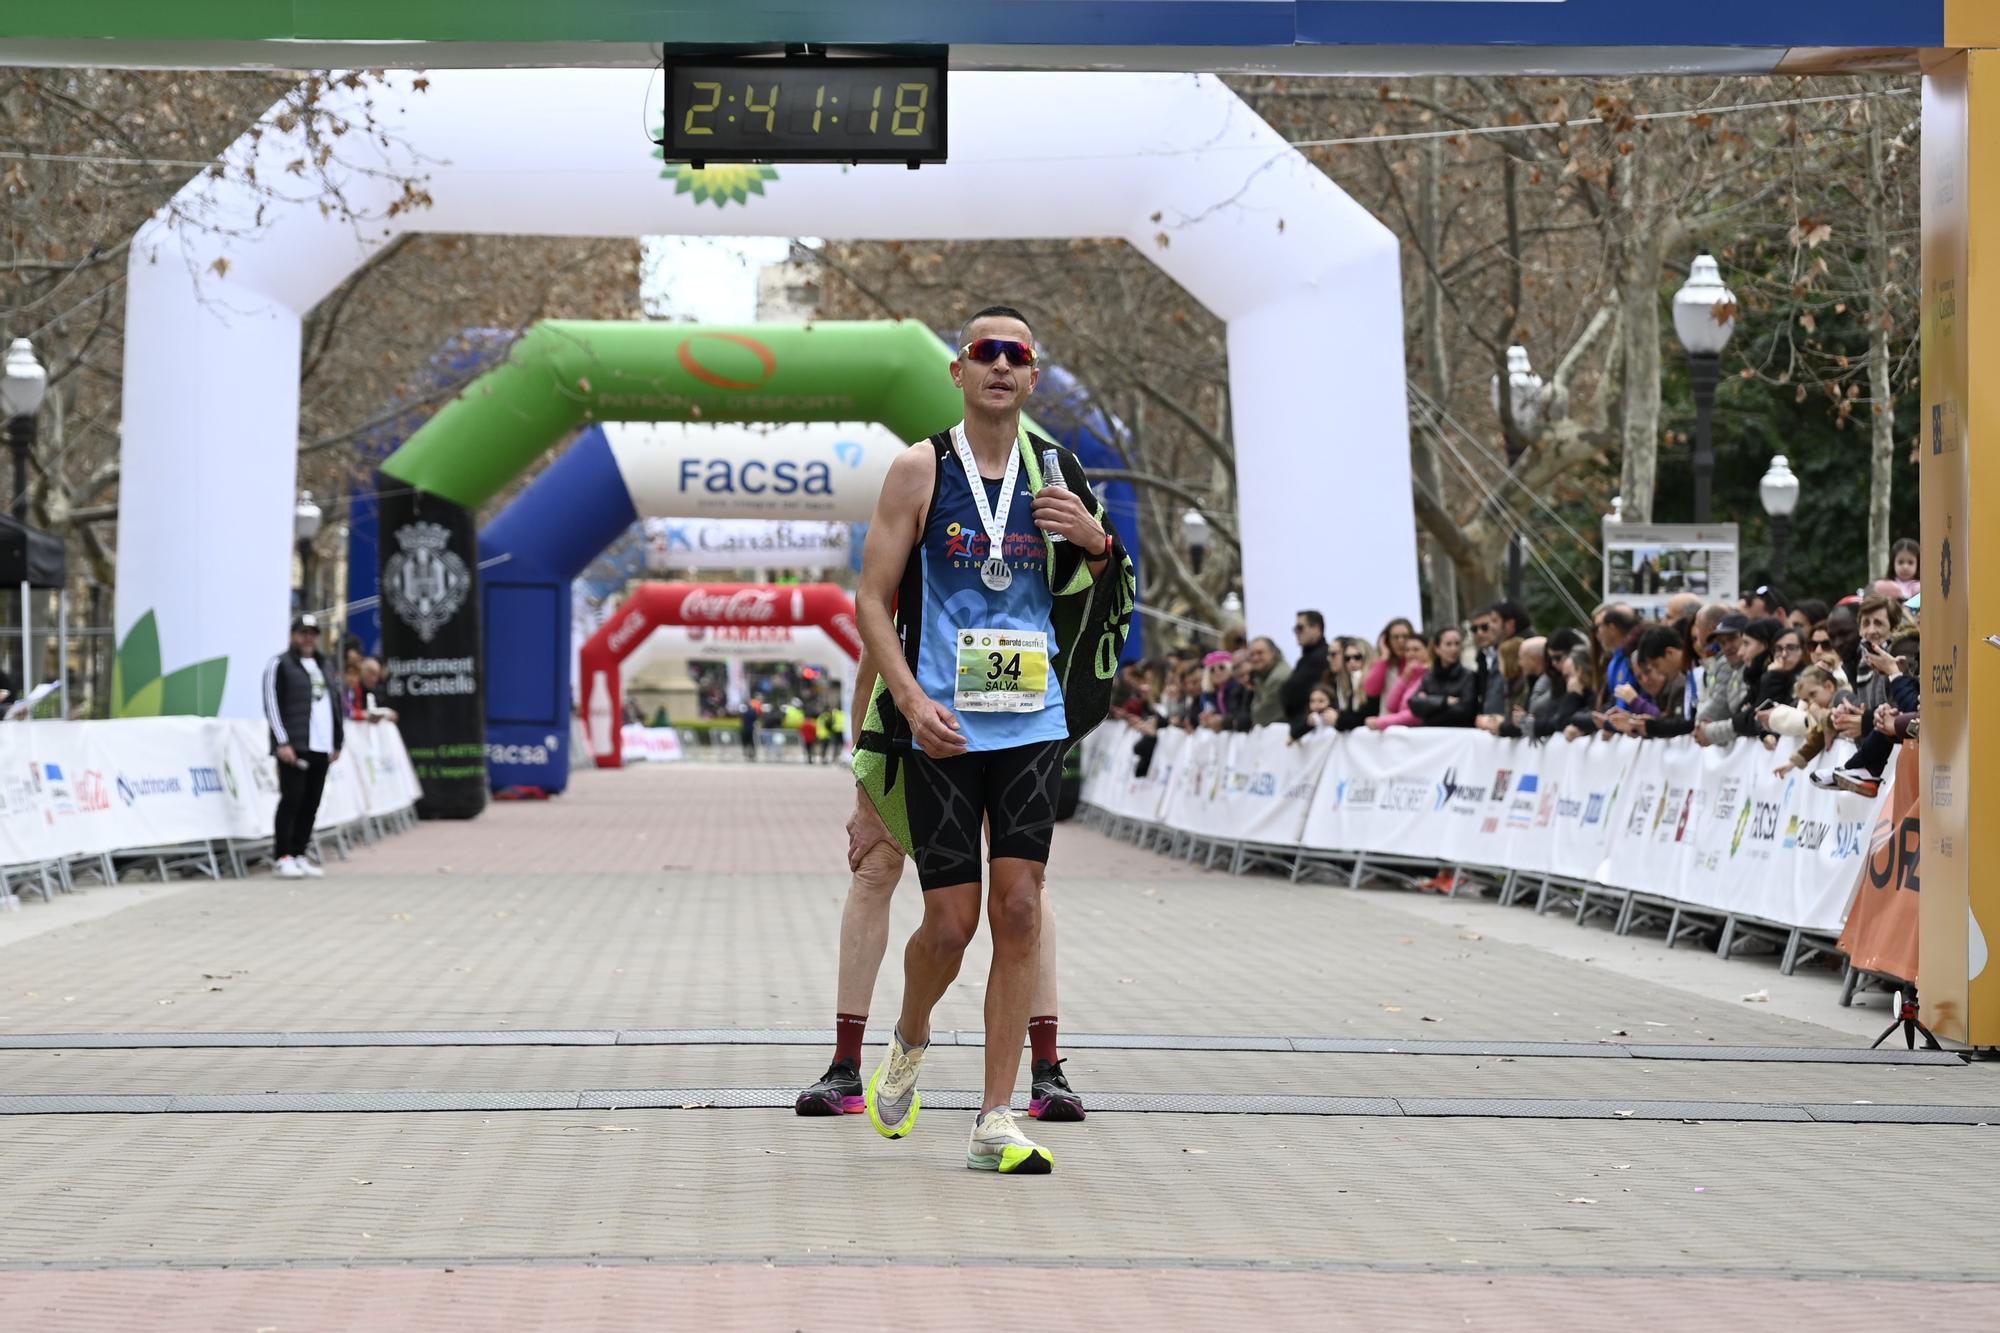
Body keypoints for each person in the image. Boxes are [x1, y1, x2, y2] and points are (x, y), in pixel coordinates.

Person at [847, 304, 1132, 1175]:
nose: (1001, 366)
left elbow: (1098, 581)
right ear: (959, 372)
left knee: (1019, 909)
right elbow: (870, 599)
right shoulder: (916, 470)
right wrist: (905, 696)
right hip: (943, 729)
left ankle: (995, 1116)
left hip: (1032, 724)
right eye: (984, 352)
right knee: (950, 922)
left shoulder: (1061, 470)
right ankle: (909, 1032)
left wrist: (1097, 538)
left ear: (1034, 376)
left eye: (1017, 355)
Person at [794, 654, 1087, 1124]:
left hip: (1016, 720)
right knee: (875, 863)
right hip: (925, 721)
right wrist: (865, 789)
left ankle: (1045, 1066)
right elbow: (873, 658)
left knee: (1024, 893)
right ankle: (845, 1064)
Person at [262, 613, 343, 880]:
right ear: (293, 635)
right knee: (292, 799)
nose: (308, 638)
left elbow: (336, 703)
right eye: (303, 633)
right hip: (296, 745)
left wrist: (337, 740)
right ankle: (282, 855)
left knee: (312, 801)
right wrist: (282, 741)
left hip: (322, 746)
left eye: (312, 633)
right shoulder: (280, 664)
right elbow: (271, 704)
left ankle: (299, 852)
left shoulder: (325, 665)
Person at [1368, 629, 1449, 730]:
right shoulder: (1410, 676)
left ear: (1428, 651)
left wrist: (1381, 722)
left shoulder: (1433, 676)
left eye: (1416, 649)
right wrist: (1404, 679)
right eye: (1407, 650)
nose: (1411, 654)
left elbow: (1417, 714)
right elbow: (1391, 706)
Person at [1406, 625, 1478, 728]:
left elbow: (1465, 711)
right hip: (1433, 736)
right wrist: (1445, 701)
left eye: (1457, 644)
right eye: (1448, 644)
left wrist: (1429, 702)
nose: (1454, 649)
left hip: (1460, 735)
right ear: (1437, 648)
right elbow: (1414, 704)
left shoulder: (1468, 676)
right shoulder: (1429, 676)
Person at [1281, 610, 1330, 730]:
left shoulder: (1320, 658)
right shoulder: (1305, 659)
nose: (1297, 633)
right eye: (1295, 629)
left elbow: (1293, 693)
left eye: (1300, 628)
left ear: (1316, 628)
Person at [1238, 636, 1292, 731]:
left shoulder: (1279, 677)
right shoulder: (1261, 676)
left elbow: (1262, 716)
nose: (1255, 658)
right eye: (1252, 654)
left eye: (1260, 653)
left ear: (1272, 653)